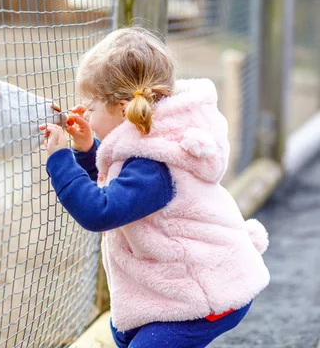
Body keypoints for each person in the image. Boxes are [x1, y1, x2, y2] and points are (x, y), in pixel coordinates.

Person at [39, 26, 270, 347]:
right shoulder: (153, 137)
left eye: (90, 106)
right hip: (187, 282)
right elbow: (118, 194)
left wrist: (60, 158)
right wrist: (87, 150)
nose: (84, 111)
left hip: (203, 294)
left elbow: (100, 211)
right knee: (128, 336)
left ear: (121, 108)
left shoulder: (154, 163)